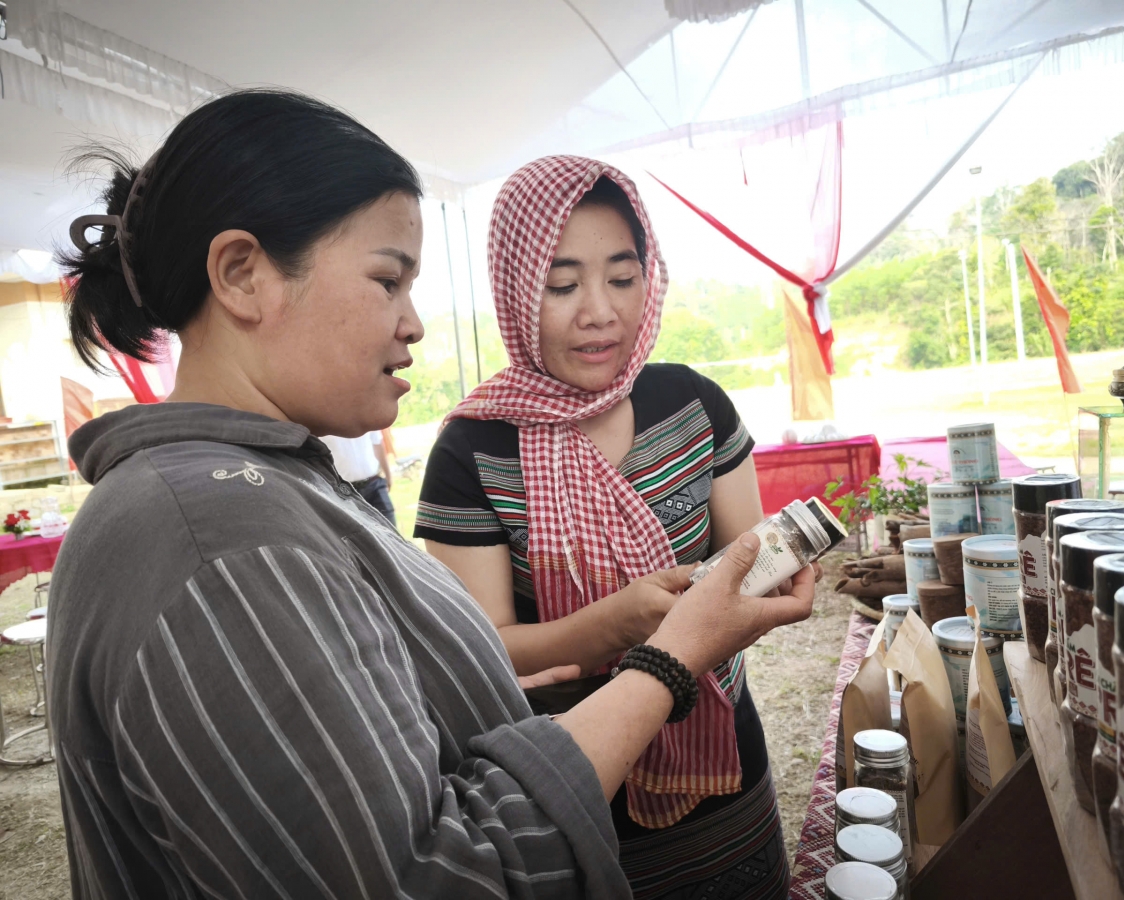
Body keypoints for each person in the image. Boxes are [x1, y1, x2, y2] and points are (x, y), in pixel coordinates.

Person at [47, 89, 817, 900]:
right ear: (243, 275)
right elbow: (438, 877)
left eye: (625, 277)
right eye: (388, 280)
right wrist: (668, 658)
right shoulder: (226, 543)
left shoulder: (266, 491)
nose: (414, 324)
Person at [415, 157, 796, 899]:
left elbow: (753, 557)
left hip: (720, 745)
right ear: (516, 291)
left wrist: (775, 574)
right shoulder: (473, 452)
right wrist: (610, 626)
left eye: (623, 278)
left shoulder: (693, 406)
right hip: (575, 772)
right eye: (561, 285)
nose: (600, 311)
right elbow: (483, 647)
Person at [321, 430, 395, 524]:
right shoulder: (322, 422)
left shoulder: (368, 417)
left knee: (391, 528)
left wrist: (388, 476)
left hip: (374, 485)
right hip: (344, 492)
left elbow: (377, 444)